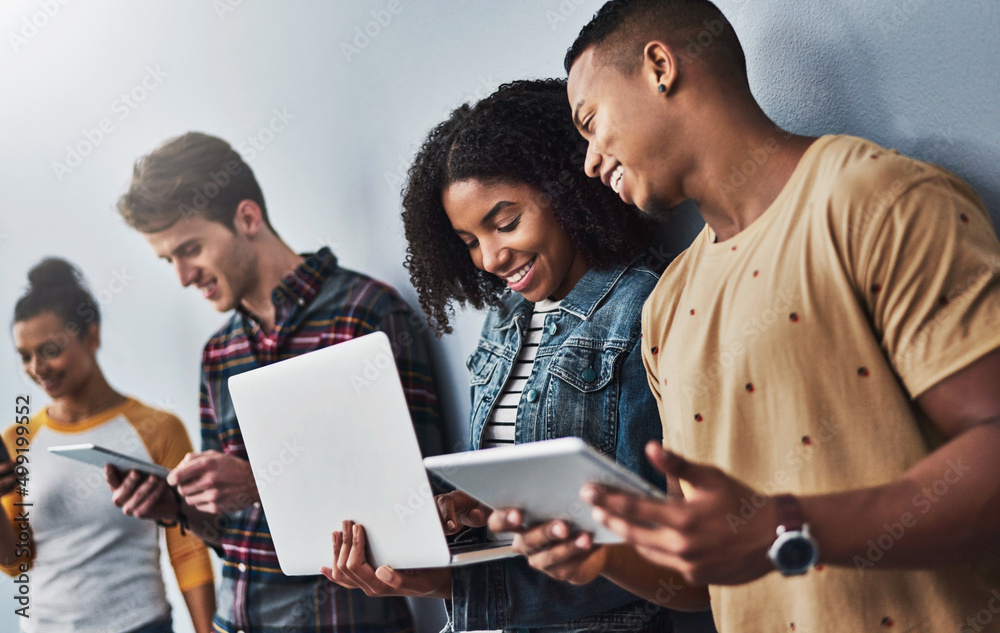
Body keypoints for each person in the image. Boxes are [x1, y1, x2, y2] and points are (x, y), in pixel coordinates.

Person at [498, 1, 1000, 631]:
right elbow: (706, 579)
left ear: (660, 66)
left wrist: (785, 528)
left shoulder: (879, 201)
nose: (591, 160)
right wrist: (602, 554)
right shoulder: (666, 307)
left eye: (591, 122)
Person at [321, 79, 715, 633]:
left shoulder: (646, 306)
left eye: (505, 223)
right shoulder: (505, 321)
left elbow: (671, 556)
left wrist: (462, 581)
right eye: (469, 241)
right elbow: (531, 507)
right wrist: (466, 523)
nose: (490, 257)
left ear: (566, 191)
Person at [108, 132, 445, 633]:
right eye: (167, 260)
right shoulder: (218, 354)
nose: (181, 276)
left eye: (190, 249)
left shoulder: (366, 315)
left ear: (247, 218)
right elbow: (234, 531)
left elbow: (423, 505)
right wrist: (176, 506)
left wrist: (259, 482)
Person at [0, 258, 216, 633]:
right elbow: (16, 561)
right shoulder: (17, 441)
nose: (38, 367)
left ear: (92, 336)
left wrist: (205, 629)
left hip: (139, 624)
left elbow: (187, 547)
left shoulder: (158, 429)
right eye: (25, 356)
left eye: (50, 350)